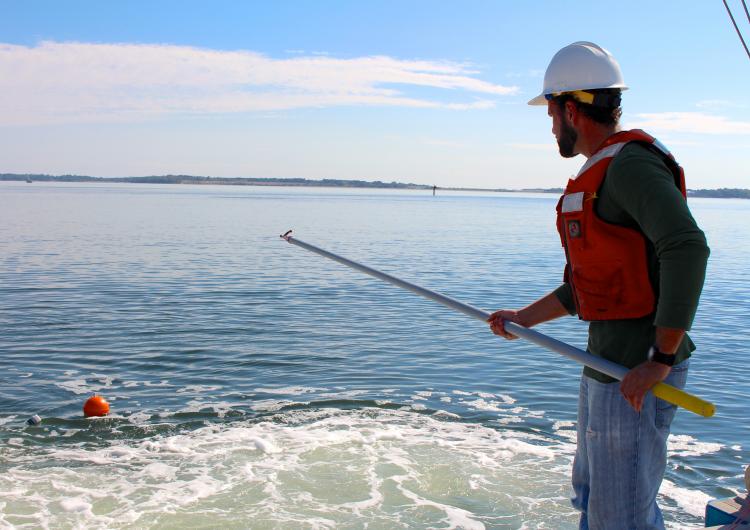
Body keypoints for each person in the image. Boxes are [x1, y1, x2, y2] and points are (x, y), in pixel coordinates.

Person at [487, 42, 709, 529]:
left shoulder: (629, 166)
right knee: (592, 499)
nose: (549, 126)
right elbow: (585, 288)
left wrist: (660, 360)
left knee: (621, 516)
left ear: (570, 109)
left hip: (636, 371)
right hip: (604, 367)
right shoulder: (600, 171)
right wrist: (522, 319)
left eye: (549, 112)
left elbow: (688, 248)